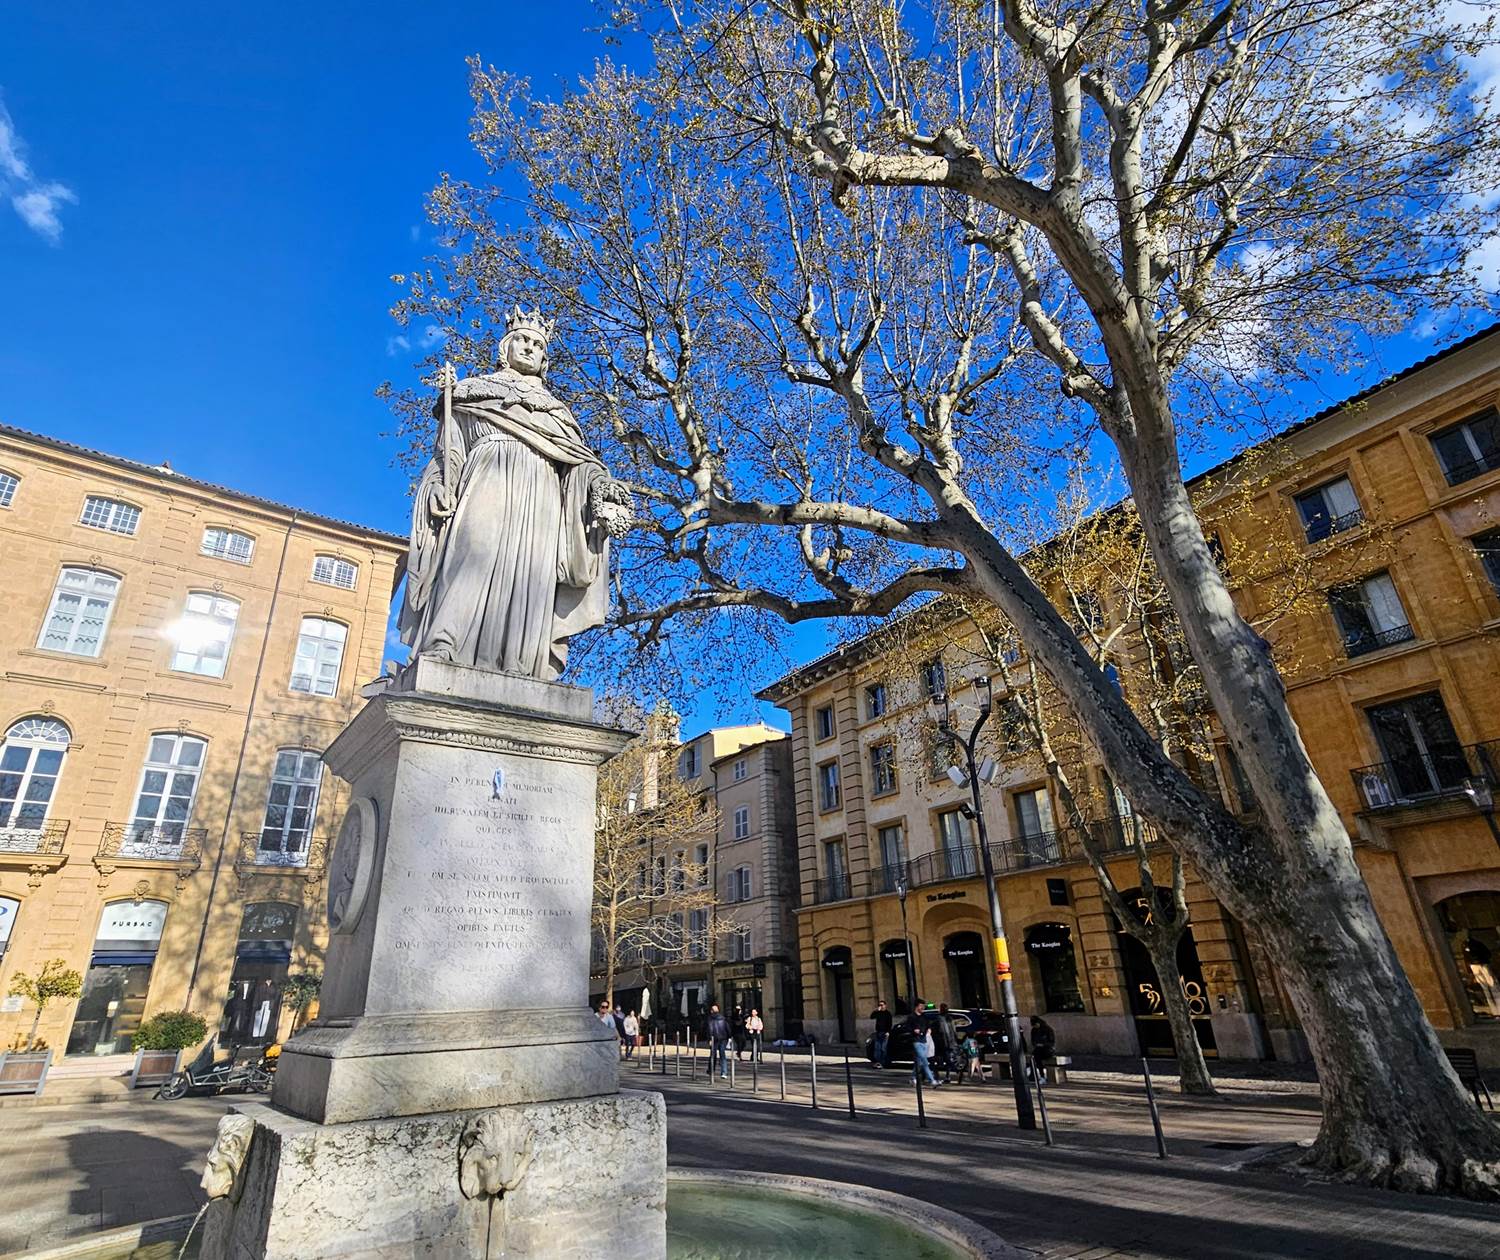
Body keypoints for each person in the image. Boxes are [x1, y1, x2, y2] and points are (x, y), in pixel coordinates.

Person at [906, 1010, 939, 1088]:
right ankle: (932, 1080)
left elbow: (928, 1026)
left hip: (923, 1041)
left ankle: (913, 1077)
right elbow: (908, 1027)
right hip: (916, 1041)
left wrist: (928, 1030)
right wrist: (914, 1031)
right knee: (924, 1061)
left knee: (919, 1062)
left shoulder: (924, 1018)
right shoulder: (911, 1017)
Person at [933, 1003, 959, 1083]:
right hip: (950, 1042)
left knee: (937, 1059)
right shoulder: (950, 1018)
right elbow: (954, 1031)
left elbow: (937, 1030)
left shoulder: (939, 1018)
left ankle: (937, 1075)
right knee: (947, 1059)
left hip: (942, 1042)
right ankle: (948, 1075)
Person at [706, 1004, 732, 1079]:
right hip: (723, 1038)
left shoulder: (710, 1019)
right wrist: (729, 1037)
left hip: (714, 1039)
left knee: (713, 1055)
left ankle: (711, 1070)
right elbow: (728, 1029)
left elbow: (709, 1030)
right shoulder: (723, 1018)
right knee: (722, 1055)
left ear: (711, 1011)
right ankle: (724, 1072)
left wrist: (709, 1039)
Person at [1030, 1015, 1057, 1081]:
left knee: (1037, 1055)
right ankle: (1034, 1075)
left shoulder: (1047, 1029)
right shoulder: (1034, 1030)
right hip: (1038, 1050)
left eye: (1036, 1025)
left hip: (1047, 1050)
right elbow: (1033, 1041)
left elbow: (1051, 1042)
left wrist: (1043, 1045)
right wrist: (1037, 1045)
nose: (1035, 1027)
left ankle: (1042, 1076)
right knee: (1034, 1056)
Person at [871, 1000, 893, 1068]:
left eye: (882, 1005)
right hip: (878, 1032)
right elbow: (872, 1017)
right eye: (879, 1005)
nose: (881, 1006)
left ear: (885, 1005)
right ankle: (878, 1062)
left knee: (883, 1048)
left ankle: (883, 1063)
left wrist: (888, 1032)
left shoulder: (888, 1013)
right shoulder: (878, 1013)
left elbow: (890, 1023)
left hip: (885, 1032)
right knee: (877, 1048)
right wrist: (876, 1011)